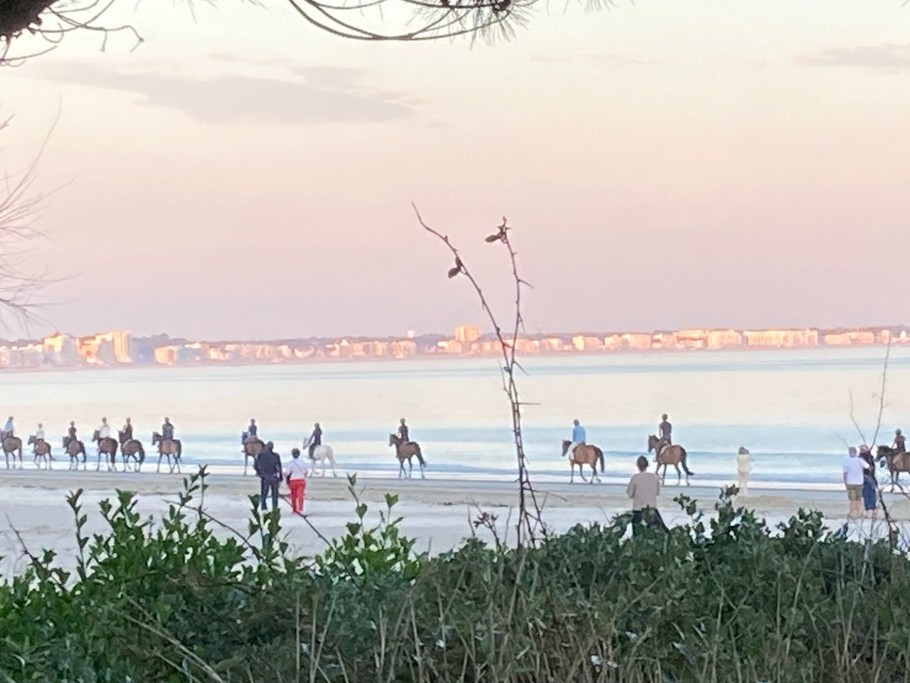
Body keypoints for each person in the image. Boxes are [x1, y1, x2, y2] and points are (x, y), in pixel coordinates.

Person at [628, 455, 666, 534]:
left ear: (638, 465)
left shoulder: (635, 478)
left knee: (636, 535)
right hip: (652, 510)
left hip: (638, 510)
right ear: (647, 465)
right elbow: (657, 493)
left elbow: (630, 494)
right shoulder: (654, 477)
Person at [254, 441, 283, 512]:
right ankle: (274, 509)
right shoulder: (276, 455)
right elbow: (279, 467)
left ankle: (264, 508)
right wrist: (280, 477)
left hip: (265, 477)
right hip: (273, 477)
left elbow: (256, 465)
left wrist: (260, 474)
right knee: (274, 495)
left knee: (264, 494)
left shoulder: (261, 455)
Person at [843, 446, 870, 520]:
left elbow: (845, 473)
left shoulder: (846, 461)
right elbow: (868, 466)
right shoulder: (859, 460)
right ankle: (859, 512)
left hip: (850, 482)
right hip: (859, 482)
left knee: (852, 499)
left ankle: (852, 512)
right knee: (858, 498)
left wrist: (845, 482)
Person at [286, 447, 308, 514]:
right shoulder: (302, 462)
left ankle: (294, 509)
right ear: (299, 454)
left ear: (292, 455)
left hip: (293, 481)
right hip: (301, 480)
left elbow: (287, 473)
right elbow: (306, 472)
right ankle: (300, 508)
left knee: (293, 496)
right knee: (300, 495)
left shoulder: (291, 463)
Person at [859, 444, 877, 519]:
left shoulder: (862, 458)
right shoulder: (870, 458)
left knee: (867, 495)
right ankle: (872, 511)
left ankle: (870, 512)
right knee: (871, 495)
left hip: (866, 478)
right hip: (870, 478)